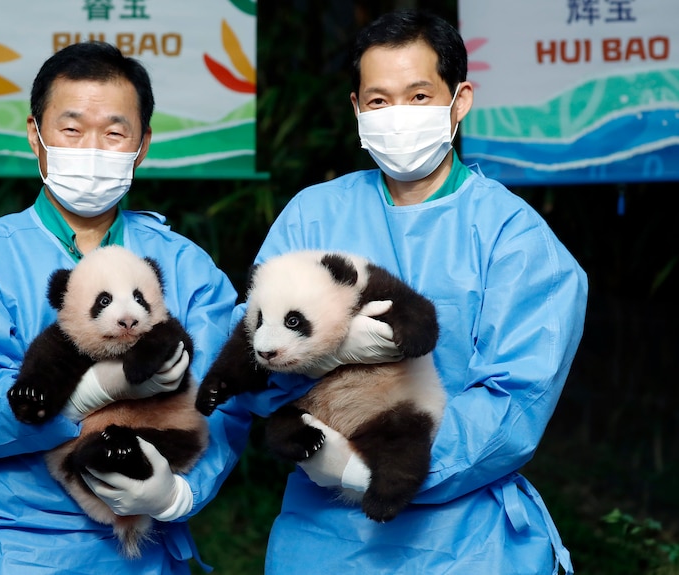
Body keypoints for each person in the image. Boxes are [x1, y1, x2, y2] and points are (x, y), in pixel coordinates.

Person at [243, 9, 587, 575]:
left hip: (465, 542)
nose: (397, 115)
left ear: (460, 99)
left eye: (419, 95)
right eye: (378, 101)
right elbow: (255, 355)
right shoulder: (312, 215)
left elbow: (514, 400)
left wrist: (373, 465)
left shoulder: (512, 235)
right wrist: (314, 380)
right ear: (356, 109)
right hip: (322, 540)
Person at [0, 41, 255, 574]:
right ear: (36, 135)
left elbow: (227, 394)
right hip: (17, 553)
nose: (92, 149)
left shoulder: (183, 264)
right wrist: (83, 396)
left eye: (115, 132)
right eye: (71, 130)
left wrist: (179, 496)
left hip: (148, 552)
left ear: (142, 145)